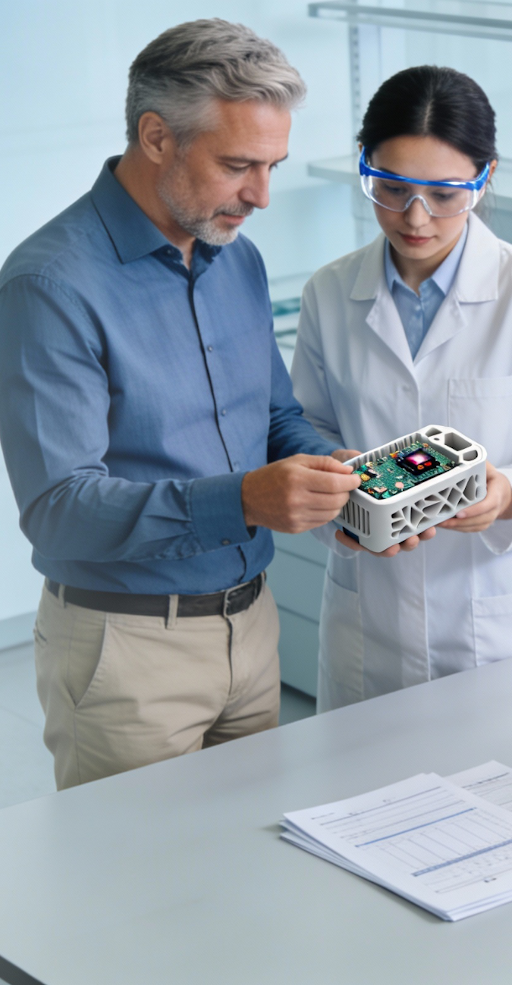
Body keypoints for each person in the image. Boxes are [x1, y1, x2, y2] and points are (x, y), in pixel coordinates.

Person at [0, 19, 361, 789]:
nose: (261, 196)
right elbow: (58, 508)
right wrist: (246, 500)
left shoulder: (236, 257)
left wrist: (330, 475)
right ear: (156, 136)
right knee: (140, 867)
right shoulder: (49, 285)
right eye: (237, 166)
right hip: (127, 649)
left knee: (247, 856)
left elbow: (273, 416)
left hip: (252, 625)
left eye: (271, 166)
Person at [292, 65, 512, 711]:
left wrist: (505, 494)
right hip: (370, 622)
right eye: (391, 188)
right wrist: (336, 499)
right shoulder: (329, 292)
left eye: (443, 194)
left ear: (484, 176)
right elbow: (305, 430)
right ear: (364, 164)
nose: (415, 217)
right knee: (363, 773)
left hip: (497, 630)